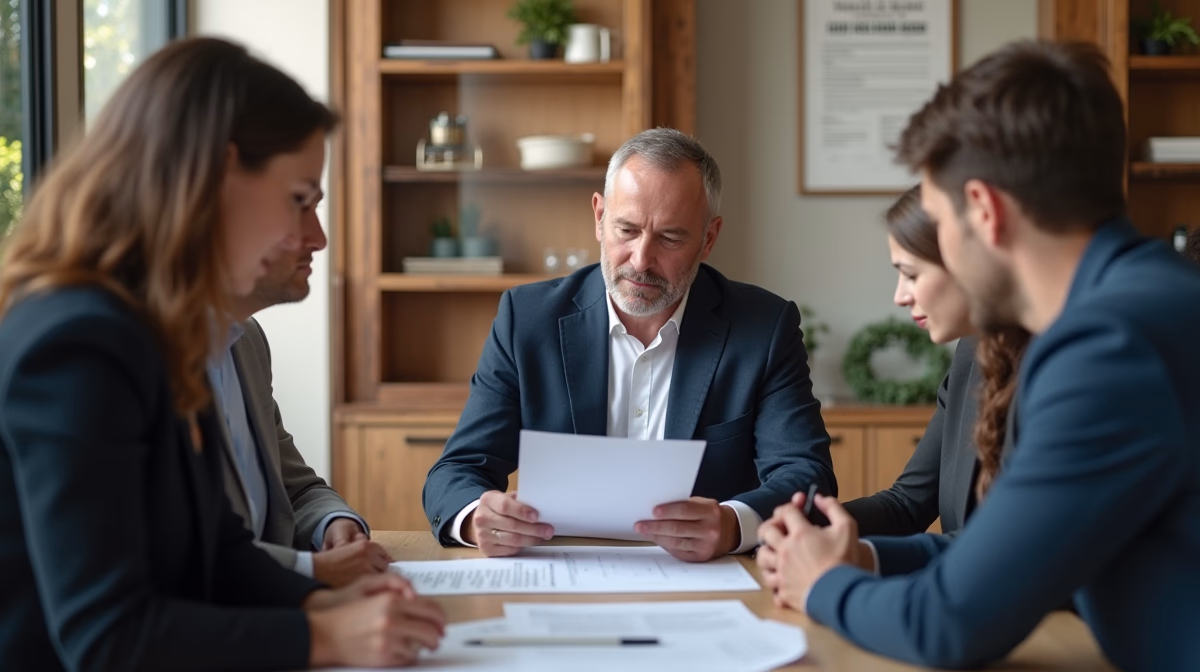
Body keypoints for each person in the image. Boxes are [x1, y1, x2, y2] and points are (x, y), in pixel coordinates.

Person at [0, 37, 445, 670]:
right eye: (299, 200)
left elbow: (220, 551)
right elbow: (107, 636)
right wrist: (327, 637)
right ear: (218, 176)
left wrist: (324, 603)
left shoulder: (165, 331)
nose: (314, 236)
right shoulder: (78, 343)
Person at [757, 40, 1200, 671]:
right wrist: (860, 559)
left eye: (939, 220)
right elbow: (1014, 555)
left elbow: (948, 626)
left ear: (986, 212)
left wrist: (822, 584)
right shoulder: (1148, 298)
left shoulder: (1109, 347)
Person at [423, 128, 836, 562]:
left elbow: (807, 475)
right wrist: (475, 517)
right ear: (599, 217)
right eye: (627, 229)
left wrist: (734, 524)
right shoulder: (527, 320)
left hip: (708, 580)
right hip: (561, 570)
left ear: (708, 239)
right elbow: (456, 471)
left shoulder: (764, 328)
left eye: (671, 238)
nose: (641, 260)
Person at [216, 185, 391, 588]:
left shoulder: (246, 340)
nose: (320, 238)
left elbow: (294, 487)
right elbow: (177, 552)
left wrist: (333, 523)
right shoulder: (134, 355)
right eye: (299, 206)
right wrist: (313, 572)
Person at [842, 186, 1028, 538]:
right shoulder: (971, 355)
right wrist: (809, 523)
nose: (899, 296)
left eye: (911, 274)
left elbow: (1001, 544)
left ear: (970, 266)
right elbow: (907, 503)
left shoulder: (1055, 369)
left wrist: (858, 555)